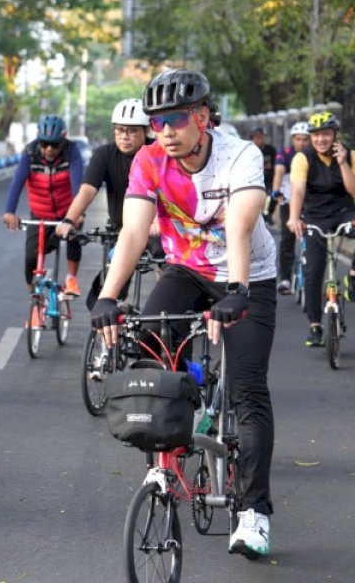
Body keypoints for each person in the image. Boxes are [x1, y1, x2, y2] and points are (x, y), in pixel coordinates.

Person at [90, 69, 277, 559]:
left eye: (175, 120)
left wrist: (236, 291)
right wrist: (108, 298)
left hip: (248, 275)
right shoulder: (149, 161)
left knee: (248, 387)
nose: (165, 132)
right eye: (157, 123)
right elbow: (133, 233)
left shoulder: (240, 156)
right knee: (151, 354)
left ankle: (254, 511)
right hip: (187, 270)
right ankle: (165, 461)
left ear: (201, 118)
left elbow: (238, 226)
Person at [54, 98, 155, 308]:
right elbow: (87, 190)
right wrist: (69, 219)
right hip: (122, 232)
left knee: (166, 281)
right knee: (101, 299)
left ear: (147, 131)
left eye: (132, 131)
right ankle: (109, 337)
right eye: (119, 130)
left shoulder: (159, 154)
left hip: (159, 231)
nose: (125, 136)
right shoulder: (104, 155)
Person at [287, 111, 355, 346]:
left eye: (326, 134)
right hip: (314, 216)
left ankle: (353, 277)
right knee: (314, 272)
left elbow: (352, 191)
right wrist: (294, 217)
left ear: (335, 135)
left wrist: (344, 162)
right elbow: (297, 190)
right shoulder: (302, 158)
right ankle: (315, 325)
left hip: (344, 212)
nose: (321, 140)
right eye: (316, 136)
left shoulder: (350, 155)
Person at [3, 115, 84, 302]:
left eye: (55, 144)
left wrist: (77, 214)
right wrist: (9, 211)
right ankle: (34, 294)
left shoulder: (72, 152)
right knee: (31, 257)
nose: (49, 149)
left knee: (74, 236)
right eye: (45, 143)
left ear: (63, 142)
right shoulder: (30, 153)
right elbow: (17, 183)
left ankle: (71, 279)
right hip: (39, 213)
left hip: (67, 211)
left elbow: (77, 185)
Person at [271, 122, 310, 294]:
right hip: (288, 199)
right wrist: (275, 190)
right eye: (298, 139)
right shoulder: (285, 154)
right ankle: (285, 278)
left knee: (314, 238)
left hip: (310, 202)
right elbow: (279, 171)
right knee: (287, 239)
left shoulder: (313, 155)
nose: (301, 143)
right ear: (293, 139)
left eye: (305, 139)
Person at [251, 127, 278, 225]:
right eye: (257, 138)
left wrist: (271, 166)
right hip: (254, 177)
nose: (259, 140)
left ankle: (268, 214)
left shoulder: (270, 149)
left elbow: (277, 163)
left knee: (273, 195)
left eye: (261, 138)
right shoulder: (249, 150)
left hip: (269, 177)